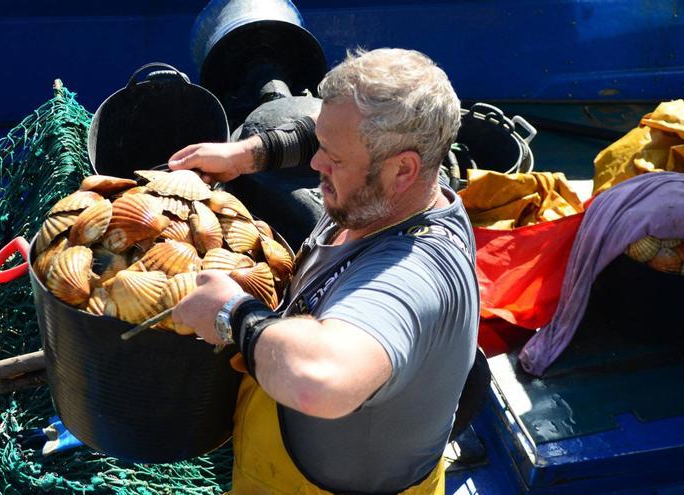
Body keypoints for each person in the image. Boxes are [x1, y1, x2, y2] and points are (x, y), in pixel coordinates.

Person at [170, 48, 479, 494]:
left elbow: (319, 384)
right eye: (322, 146)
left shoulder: (414, 272)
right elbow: (325, 132)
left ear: (403, 170)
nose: (317, 165)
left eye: (334, 159)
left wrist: (231, 314)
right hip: (276, 447)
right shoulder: (397, 187)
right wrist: (247, 155)